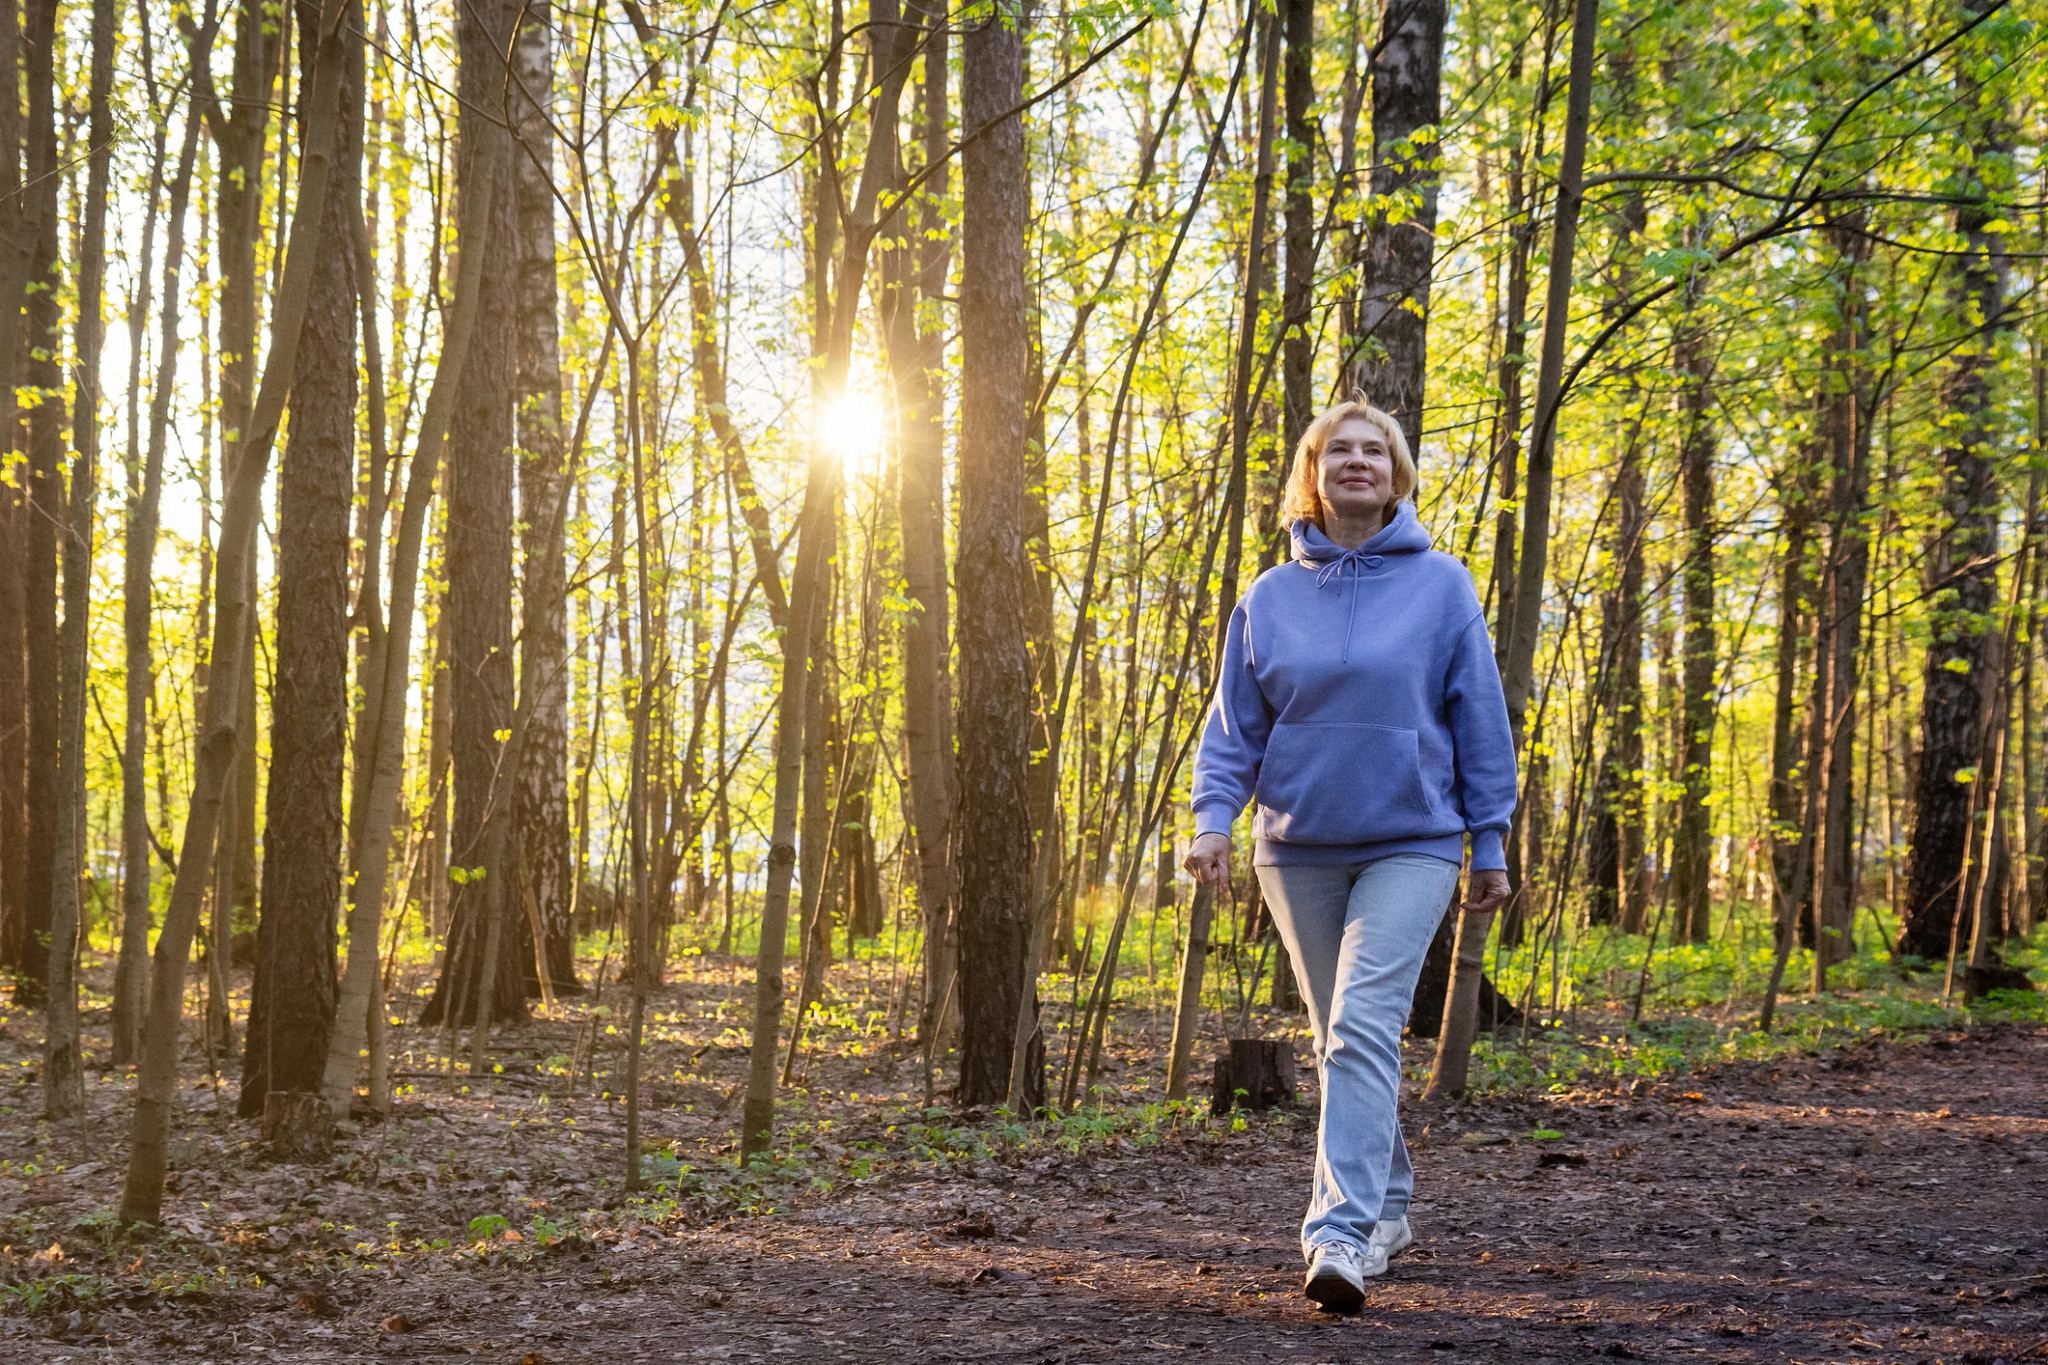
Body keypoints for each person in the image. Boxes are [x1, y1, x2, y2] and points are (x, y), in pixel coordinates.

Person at [1184, 398, 1516, 1313]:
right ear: (1314, 472)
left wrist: (1487, 838)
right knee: (1344, 1040)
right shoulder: (1268, 596)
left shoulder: (1443, 585)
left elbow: (1479, 720)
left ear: (1398, 473)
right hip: (1295, 851)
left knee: (1363, 1026)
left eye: (1376, 450)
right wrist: (1214, 819)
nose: (1358, 462)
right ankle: (1393, 1205)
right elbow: (1233, 730)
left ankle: (1340, 1232)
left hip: (1413, 841)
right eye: (1340, 451)